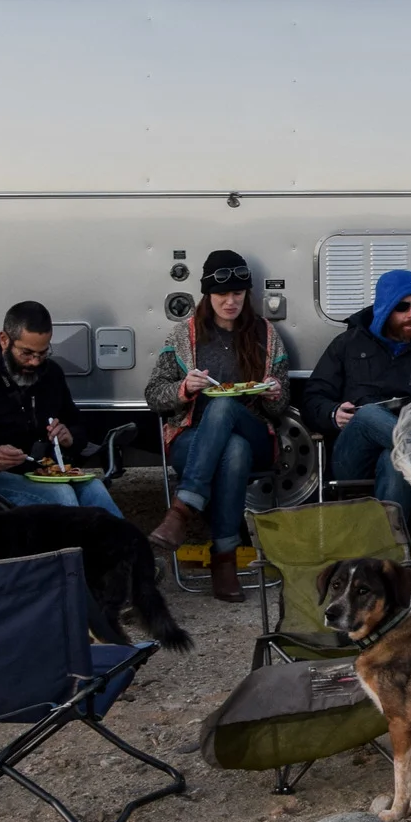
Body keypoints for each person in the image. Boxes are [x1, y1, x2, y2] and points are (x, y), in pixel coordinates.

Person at [145, 251, 290, 600]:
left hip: (254, 430)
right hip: (191, 437)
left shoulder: (265, 335)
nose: (230, 301)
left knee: (226, 408)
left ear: (247, 295)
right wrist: (183, 388)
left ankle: (182, 509)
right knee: (233, 451)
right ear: (207, 295)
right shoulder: (184, 335)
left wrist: (273, 393)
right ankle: (224, 559)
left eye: (238, 293)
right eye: (222, 294)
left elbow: (282, 403)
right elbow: (154, 395)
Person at [298, 268, 411, 519]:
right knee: (370, 414)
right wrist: (333, 413)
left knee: (395, 458)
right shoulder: (349, 343)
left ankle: (391, 550)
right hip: (353, 457)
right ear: (384, 309)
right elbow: (312, 397)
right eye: (402, 307)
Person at [0, 300, 121, 517]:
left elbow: (77, 425)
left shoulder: (50, 374)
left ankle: (125, 550)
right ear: (5, 340)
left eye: (43, 353)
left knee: (95, 490)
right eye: (27, 353)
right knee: (61, 497)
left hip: (32, 472)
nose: (35, 362)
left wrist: (70, 437)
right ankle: (71, 552)